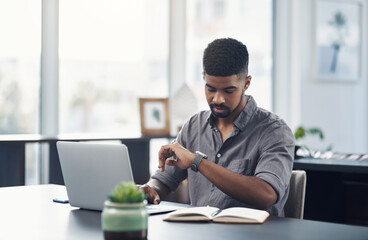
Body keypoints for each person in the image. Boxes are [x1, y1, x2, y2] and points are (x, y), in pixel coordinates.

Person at [139, 38, 295, 216]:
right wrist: (150, 189)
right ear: (204, 78)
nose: (218, 99)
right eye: (211, 89)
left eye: (228, 91)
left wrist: (197, 162)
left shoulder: (274, 131)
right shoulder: (193, 126)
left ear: (246, 83)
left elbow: (266, 195)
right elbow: (163, 181)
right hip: (201, 232)